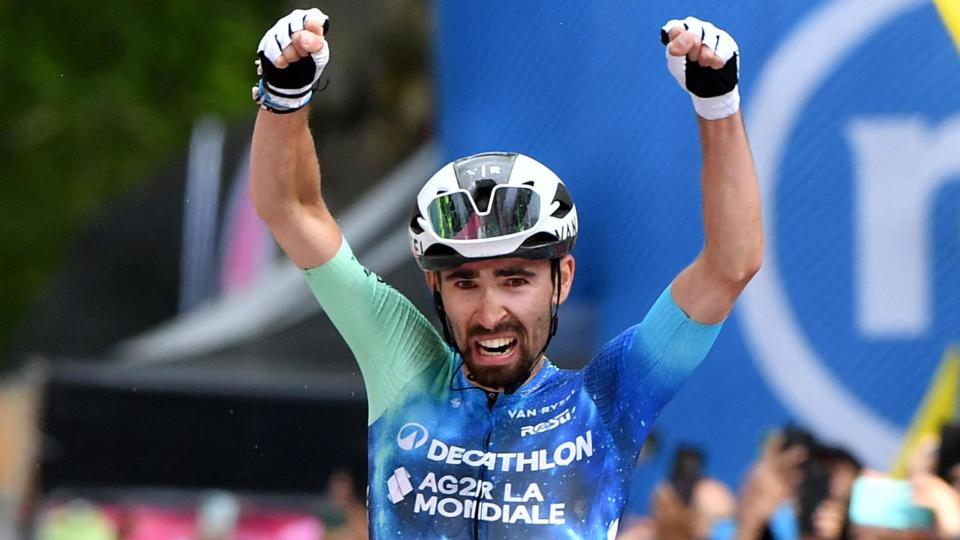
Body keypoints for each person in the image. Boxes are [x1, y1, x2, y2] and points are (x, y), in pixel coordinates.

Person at [250, 7, 762, 539]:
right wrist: (283, 97)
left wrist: (718, 104)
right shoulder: (406, 368)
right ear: (434, 286)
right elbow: (292, 210)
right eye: (465, 282)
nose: (490, 312)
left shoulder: (608, 397)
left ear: (563, 278)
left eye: (516, 280)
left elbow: (731, 265)